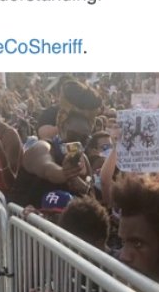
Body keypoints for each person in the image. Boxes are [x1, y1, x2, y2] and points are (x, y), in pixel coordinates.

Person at [9, 79, 101, 207]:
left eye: (84, 138)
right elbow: (48, 169)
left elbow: (92, 200)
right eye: (73, 135)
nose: (77, 141)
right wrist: (64, 173)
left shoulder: (83, 160)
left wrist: (83, 186)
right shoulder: (42, 148)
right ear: (62, 127)